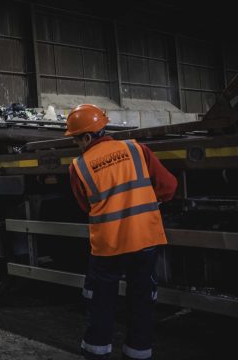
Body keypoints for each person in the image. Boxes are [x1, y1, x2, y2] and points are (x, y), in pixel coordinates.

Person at [65, 104, 177, 360]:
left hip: (108, 246)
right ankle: (138, 354)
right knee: (142, 302)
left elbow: (86, 206)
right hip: (144, 240)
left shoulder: (78, 167)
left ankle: (96, 353)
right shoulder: (137, 149)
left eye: (76, 140)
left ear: (87, 137)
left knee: (101, 303)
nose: (76, 145)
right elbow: (169, 187)